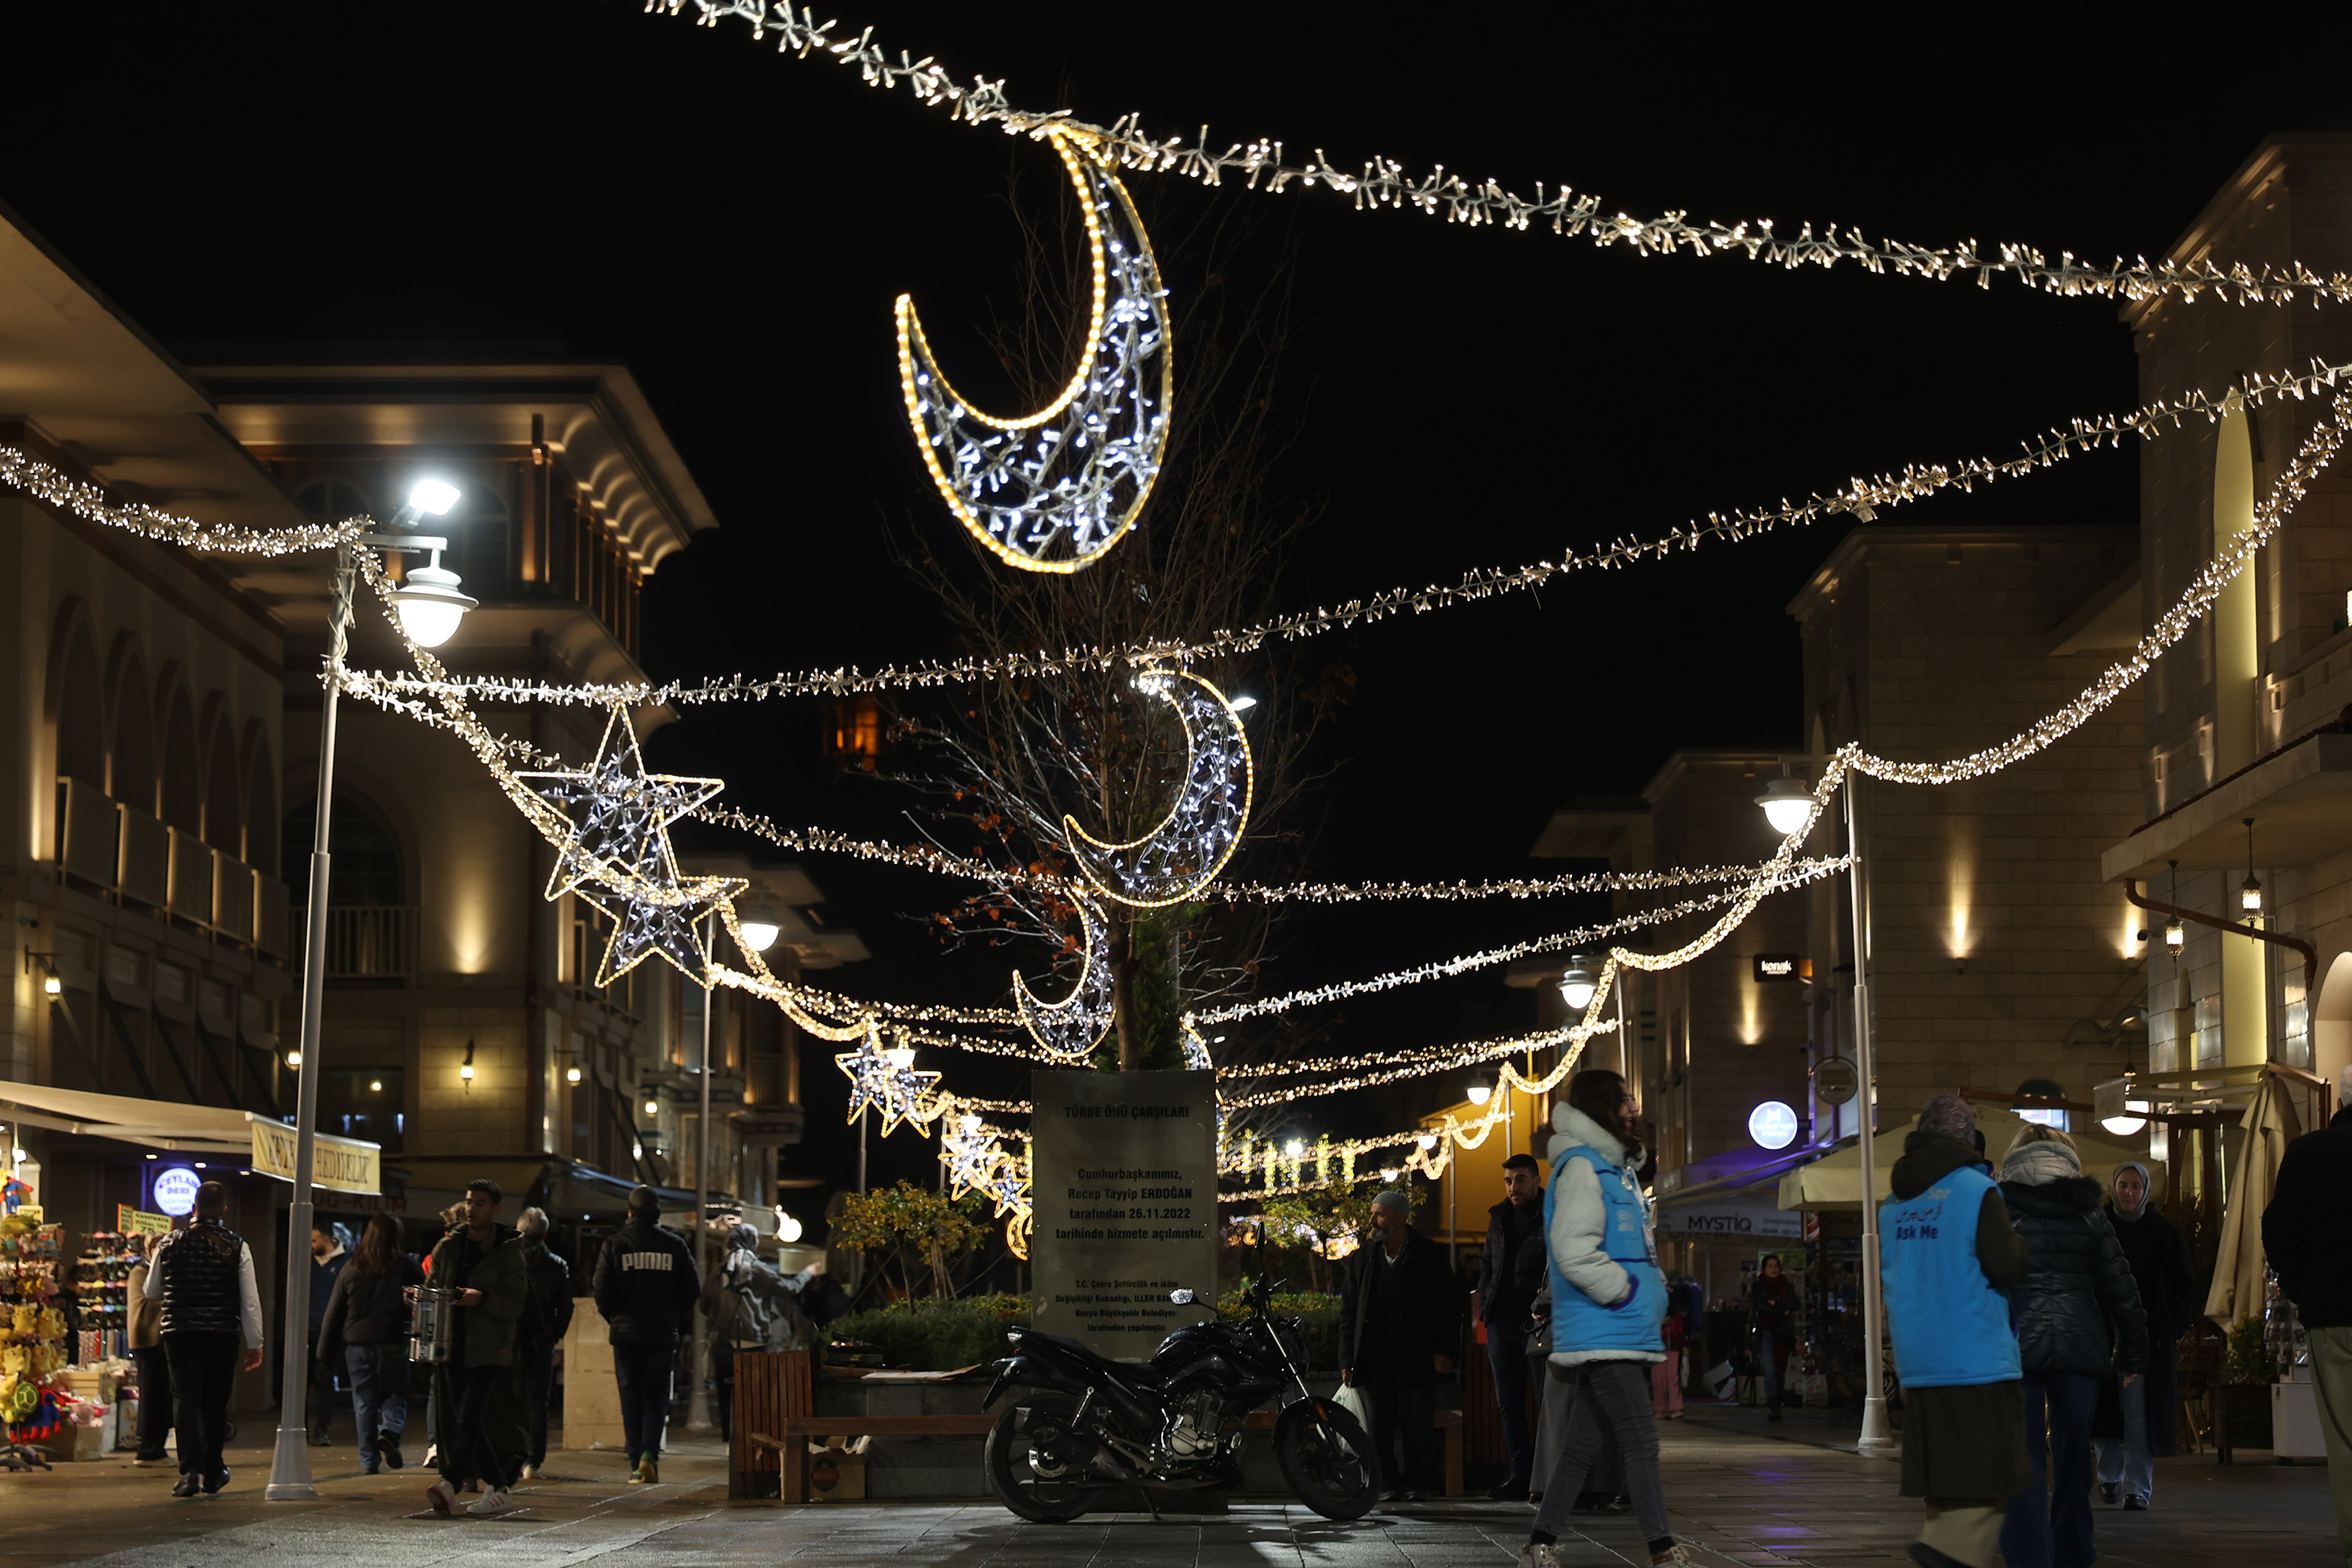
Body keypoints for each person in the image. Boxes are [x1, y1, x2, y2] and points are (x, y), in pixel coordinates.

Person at [1519, 1069, 1683, 1568]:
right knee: (1641, 1441)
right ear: (1603, 1108)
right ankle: (1662, 1551)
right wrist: (1627, 1292)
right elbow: (1573, 1250)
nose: (1635, 1106)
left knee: (1581, 1447)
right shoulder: (1583, 1169)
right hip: (1606, 1324)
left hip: (1617, 1326)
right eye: (1625, 1099)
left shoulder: (1616, 1173)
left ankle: (1539, 1543)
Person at [1879, 1094, 2032, 1568]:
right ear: (1968, 1139)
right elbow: (2005, 1266)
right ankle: (1942, 1556)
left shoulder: (1893, 1203)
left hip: (1918, 1362)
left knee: (1945, 1484)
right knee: (1996, 1477)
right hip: (1976, 1358)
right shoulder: (1975, 1189)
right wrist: (2020, 1242)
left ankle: (1944, 1549)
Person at [1997, 1124, 2147, 1568]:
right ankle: (2074, 1551)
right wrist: (2133, 1351)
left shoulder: (1998, 1209)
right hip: (2081, 1346)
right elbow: (2121, 1288)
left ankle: (2028, 1557)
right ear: (2068, 1159)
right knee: (2074, 1452)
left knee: (2021, 1456)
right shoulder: (2089, 1213)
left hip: (2015, 1344)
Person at [2262, 1075, 2352, 1563]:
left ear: (2338, 1101)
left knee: (2345, 1440)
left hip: (2332, 1315)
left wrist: (2303, 1288)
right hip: (2329, 1306)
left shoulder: (2308, 1153)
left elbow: (2276, 1229)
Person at [142, 1181, 265, 1497]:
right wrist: (255, 1342)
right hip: (221, 1334)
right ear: (224, 1210)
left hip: (179, 1334)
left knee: (185, 1401)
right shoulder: (238, 1246)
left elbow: (152, 1291)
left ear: (193, 1208)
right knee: (215, 1403)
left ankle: (189, 1473)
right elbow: (249, 1300)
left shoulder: (168, 1243)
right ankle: (213, 1471)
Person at [1338, 1189, 1459, 1504]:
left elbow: (1449, 1307)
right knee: (1380, 1426)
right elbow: (1349, 1312)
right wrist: (1347, 1360)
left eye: (1379, 1214)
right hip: (1377, 1358)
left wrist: (1445, 1351)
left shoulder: (1429, 1255)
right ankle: (1386, 1481)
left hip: (1418, 1356)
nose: (1372, 1220)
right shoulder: (1364, 1257)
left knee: (1419, 1423)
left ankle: (1418, 1482)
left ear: (1400, 1219)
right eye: (1372, 1214)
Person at [423, 1178, 532, 1516]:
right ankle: (498, 1488)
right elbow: (433, 1289)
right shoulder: (449, 1248)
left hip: (489, 1348)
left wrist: (481, 1298)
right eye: (469, 1202)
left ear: (495, 1210)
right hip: (450, 1345)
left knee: (470, 1414)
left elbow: (514, 1307)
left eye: (480, 1203)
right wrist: (419, 1297)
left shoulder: (509, 1252)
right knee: (466, 1420)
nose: (472, 1209)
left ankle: (451, 1484)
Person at [2095, 1162, 2195, 1511]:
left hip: (2146, 1337)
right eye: (2123, 1185)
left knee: (2138, 1414)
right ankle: (2109, 1475)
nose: (2128, 1192)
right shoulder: (2099, 1228)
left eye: (2135, 1186)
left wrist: (2172, 1324)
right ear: (2114, 1187)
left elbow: (2183, 1284)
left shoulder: (2163, 1233)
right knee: (2105, 1410)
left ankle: (2138, 1486)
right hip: (2104, 1334)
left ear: (2145, 1191)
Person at [592, 1185, 701, 1485]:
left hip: (626, 1336)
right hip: (661, 1333)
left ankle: (635, 1465)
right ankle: (649, 1456)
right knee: (655, 1398)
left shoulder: (615, 1244)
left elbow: (600, 1290)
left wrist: (615, 1319)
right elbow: (692, 1290)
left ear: (630, 1212)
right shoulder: (675, 1245)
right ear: (658, 1213)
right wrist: (672, 1316)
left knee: (630, 1398)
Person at [321, 1212, 424, 1475]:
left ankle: (369, 1462)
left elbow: (334, 1313)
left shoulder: (352, 1267)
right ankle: (389, 1433)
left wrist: (325, 1353)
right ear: (395, 1236)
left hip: (358, 1346)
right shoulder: (406, 1266)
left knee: (364, 1403)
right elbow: (425, 1303)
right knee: (396, 1396)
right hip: (392, 1343)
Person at [702, 1222, 825, 1437]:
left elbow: (703, 1304)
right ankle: (748, 1443)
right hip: (752, 1342)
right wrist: (806, 1273)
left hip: (721, 1341)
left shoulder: (718, 1269)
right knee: (753, 1397)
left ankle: (728, 1442)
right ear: (750, 1241)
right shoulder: (755, 1268)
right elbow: (789, 1288)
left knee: (726, 1397)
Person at [1479, 1152, 1547, 1498]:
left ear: (1536, 1180)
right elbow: (1488, 1266)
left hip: (1538, 1323)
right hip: (1502, 1321)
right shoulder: (1499, 1216)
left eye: (1520, 1179)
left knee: (1545, 1400)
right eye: (1508, 1180)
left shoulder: (1552, 1214)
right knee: (1509, 1402)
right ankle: (1521, 1474)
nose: (1513, 1187)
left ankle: (1546, 1477)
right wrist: (1484, 1309)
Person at [514, 1207, 574, 1480]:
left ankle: (511, 1454)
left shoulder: (510, 1261)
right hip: (542, 1338)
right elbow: (566, 1307)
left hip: (512, 1336)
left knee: (510, 1396)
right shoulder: (557, 1265)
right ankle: (532, 1461)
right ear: (545, 1233)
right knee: (538, 1401)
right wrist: (554, 1334)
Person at [124, 1233, 172, 1466]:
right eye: (155, 1247)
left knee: (162, 1396)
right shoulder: (140, 1272)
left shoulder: (165, 1274)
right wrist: (173, 1301)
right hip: (147, 1342)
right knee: (151, 1395)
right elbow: (142, 1306)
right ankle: (147, 1448)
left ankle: (157, 1447)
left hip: (162, 1342)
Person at [307, 1223, 350, 1445]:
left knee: (325, 1378)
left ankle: (322, 1429)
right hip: (305, 1329)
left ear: (326, 1240)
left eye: (314, 1241)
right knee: (301, 1380)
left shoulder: (346, 1262)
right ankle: (301, 1428)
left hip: (330, 1330)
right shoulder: (306, 1261)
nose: (310, 1246)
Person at [1751, 1256, 1796, 1421]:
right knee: (1769, 1369)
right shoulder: (1759, 1286)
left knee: (1779, 1370)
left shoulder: (1786, 1286)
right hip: (1766, 1332)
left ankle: (1778, 1402)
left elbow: (1794, 1303)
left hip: (1782, 1333)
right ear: (1764, 1268)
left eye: (1776, 1266)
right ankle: (1773, 1406)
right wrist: (1781, 1311)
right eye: (1770, 1266)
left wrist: (1776, 1303)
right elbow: (1761, 1305)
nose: (1773, 1269)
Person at [1653, 1305, 1685, 1420]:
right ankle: (1659, 1409)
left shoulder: (1676, 1316)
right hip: (1658, 1349)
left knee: (1673, 1379)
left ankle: (1676, 1408)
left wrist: (1683, 1346)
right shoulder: (1654, 1311)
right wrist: (1661, 1323)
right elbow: (1649, 1328)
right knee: (1659, 1380)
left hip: (1673, 1349)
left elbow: (1680, 1332)